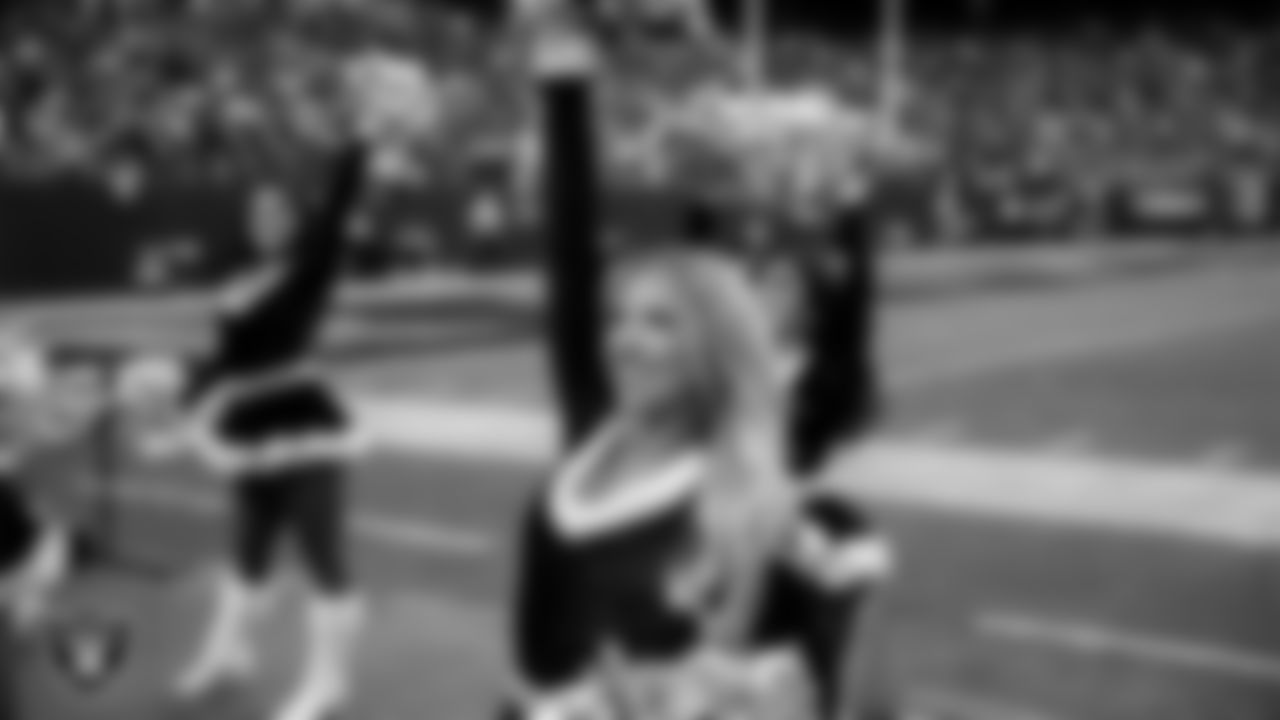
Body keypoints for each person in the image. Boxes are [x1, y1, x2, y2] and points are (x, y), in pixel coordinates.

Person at [163, 106, 373, 720]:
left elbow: (337, 209)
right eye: (256, 211)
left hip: (307, 429)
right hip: (248, 429)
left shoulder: (309, 272)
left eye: (277, 211)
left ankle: (329, 682)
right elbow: (224, 363)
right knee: (247, 553)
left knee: (324, 558)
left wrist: (358, 140)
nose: (264, 220)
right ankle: (228, 654)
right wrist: (179, 395)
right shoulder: (234, 281)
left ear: (295, 221)